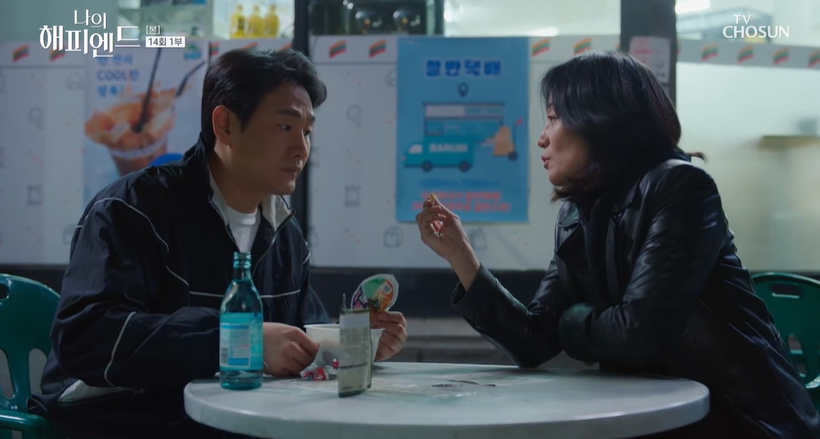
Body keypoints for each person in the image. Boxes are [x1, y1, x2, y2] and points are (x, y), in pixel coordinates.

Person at [415, 51, 820, 438]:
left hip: (736, 421)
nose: (541, 139)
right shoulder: (577, 213)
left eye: (553, 119)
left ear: (599, 121)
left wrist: (570, 323)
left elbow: (639, 334)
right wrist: (461, 255)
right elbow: (532, 342)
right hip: (651, 417)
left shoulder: (680, 187)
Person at [29, 48, 407, 439]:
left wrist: (353, 344)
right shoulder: (134, 209)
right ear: (225, 125)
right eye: (285, 126)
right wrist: (241, 340)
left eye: (307, 132)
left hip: (228, 419)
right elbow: (85, 338)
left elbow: (299, 341)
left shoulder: (284, 233)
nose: (301, 148)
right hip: (117, 420)